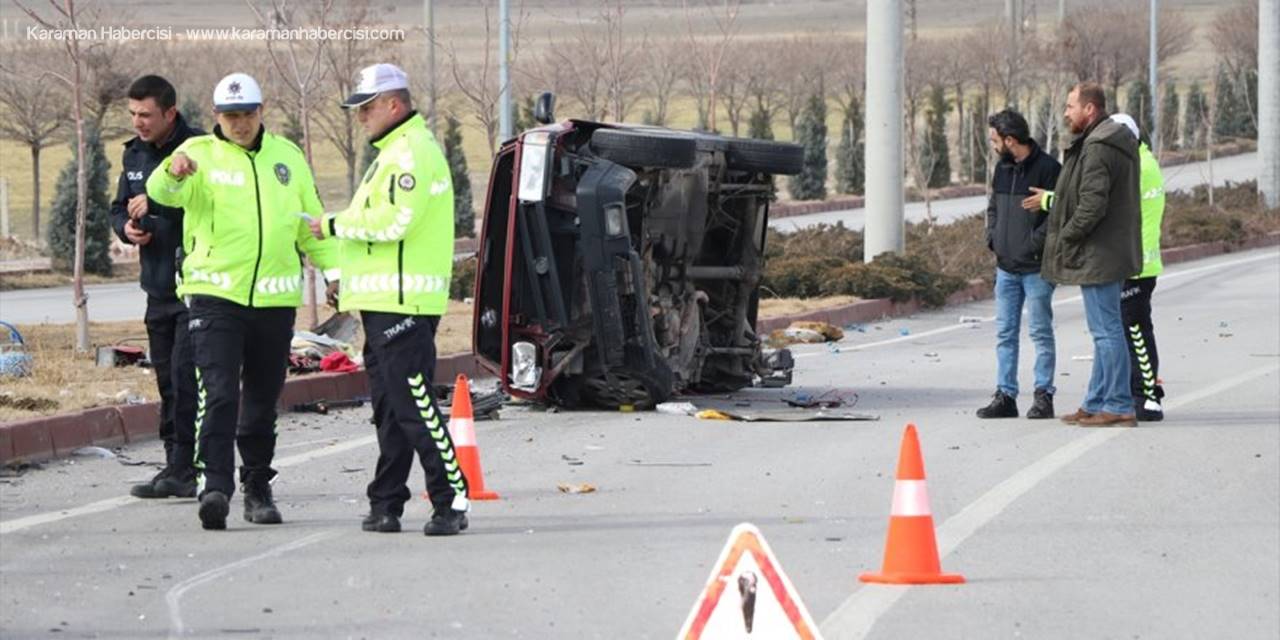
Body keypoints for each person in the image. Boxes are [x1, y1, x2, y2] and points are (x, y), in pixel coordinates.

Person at [147, 72, 338, 530]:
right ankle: (215, 487)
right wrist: (172, 174)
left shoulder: (287, 157)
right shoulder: (196, 155)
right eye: (231, 116)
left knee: (261, 399)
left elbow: (308, 223)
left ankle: (257, 485)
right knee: (218, 393)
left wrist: (334, 272)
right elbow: (161, 193)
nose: (240, 123)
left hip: (273, 301)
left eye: (247, 114)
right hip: (215, 297)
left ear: (261, 111)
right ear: (216, 116)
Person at [307, 63, 469, 536]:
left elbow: (395, 223)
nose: (360, 118)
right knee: (390, 411)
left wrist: (334, 225)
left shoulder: (411, 154)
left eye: (367, 107)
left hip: (404, 306)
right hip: (382, 303)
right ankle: (387, 503)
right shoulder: (394, 152)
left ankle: (451, 501)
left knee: (414, 407)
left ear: (394, 104)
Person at [108, 75, 204, 498]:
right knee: (166, 379)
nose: (138, 122)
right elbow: (116, 208)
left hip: (197, 285)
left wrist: (159, 203)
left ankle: (189, 466)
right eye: (132, 114)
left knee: (186, 379)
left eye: (145, 115)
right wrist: (127, 229)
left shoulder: (200, 150)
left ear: (170, 112)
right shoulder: (133, 154)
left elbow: (212, 203)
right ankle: (174, 465)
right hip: (157, 286)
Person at [1039, 82, 1142, 427]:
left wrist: (1067, 237)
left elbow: (1091, 206)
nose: (1066, 112)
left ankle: (1118, 404)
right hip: (1108, 250)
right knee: (1104, 331)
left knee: (1107, 331)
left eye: (1071, 106)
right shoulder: (1108, 140)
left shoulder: (1098, 146)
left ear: (1090, 110)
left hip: (1100, 252)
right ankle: (1097, 400)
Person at [977, 109, 1061, 420]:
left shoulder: (1050, 169)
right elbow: (993, 207)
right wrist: (993, 239)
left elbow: (1058, 217)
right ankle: (1006, 395)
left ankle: (1043, 396)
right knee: (1005, 333)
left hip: (1037, 268)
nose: (993, 145)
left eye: (995, 140)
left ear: (1010, 140)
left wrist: (1033, 245)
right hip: (1006, 268)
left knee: (1040, 332)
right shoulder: (1002, 170)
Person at [1109, 113, 1167, 422]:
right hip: (1137, 261)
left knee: (1136, 332)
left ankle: (1147, 398)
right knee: (1135, 330)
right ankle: (1141, 393)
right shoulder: (1142, 161)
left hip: (1135, 264)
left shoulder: (1136, 169)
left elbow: (1099, 206)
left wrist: (1052, 201)